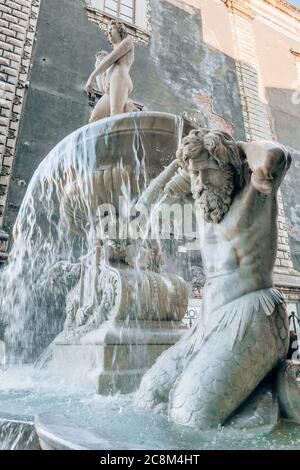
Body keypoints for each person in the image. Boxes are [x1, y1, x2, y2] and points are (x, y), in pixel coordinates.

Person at [135, 128, 292, 429]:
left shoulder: (255, 189)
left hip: (255, 315)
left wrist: (236, 147)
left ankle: (263, 407)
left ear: (231, 168)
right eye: (195, 174)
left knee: (189, 413)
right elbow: (158, 192)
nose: (201, 181)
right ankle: (258, 402)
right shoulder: (203, 193)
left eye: (208, 172)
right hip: (209, 323)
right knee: (148, 395)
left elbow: (277, 155)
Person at [86, 20, 136, 121]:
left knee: (115, 114)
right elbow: (102, 87)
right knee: (94, 119)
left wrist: (91, 77)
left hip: (120, 78)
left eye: (111, 29)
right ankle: (127, 105)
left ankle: (127, 106)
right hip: (110, 88)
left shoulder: (128, 42)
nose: (108, 32)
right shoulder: (108, 60)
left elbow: (110, 59)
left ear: (120, 30)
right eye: (108, 30)